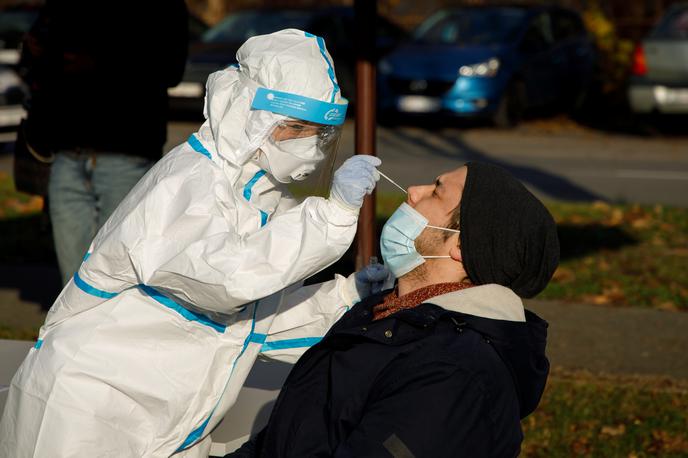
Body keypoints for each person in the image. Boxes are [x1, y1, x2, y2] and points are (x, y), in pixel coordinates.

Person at [0, 29, 385, 457]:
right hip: (87, 408)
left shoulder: (262, 196)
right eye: (294, 128)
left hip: (170, 424)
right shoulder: (188, 181)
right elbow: (226, 280)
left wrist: (349, 298)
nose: (307, 145)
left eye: (318, 132)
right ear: (245, 112)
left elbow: (253, 326)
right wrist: (330, 216)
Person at [227, 161, 560, 458]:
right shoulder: (386, 312)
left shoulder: (453, 373)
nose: (414, 191)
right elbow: (286, 436)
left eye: (436, 192)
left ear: (460, 245)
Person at [20, 0, 189, 285]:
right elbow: (33, 58)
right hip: (67, 153)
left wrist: (98, 62)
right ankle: (72, 328)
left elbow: (171, 69)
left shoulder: (162, 7)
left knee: (118, 273)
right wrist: (37, 53)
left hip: (126, 154)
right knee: (72, 282)